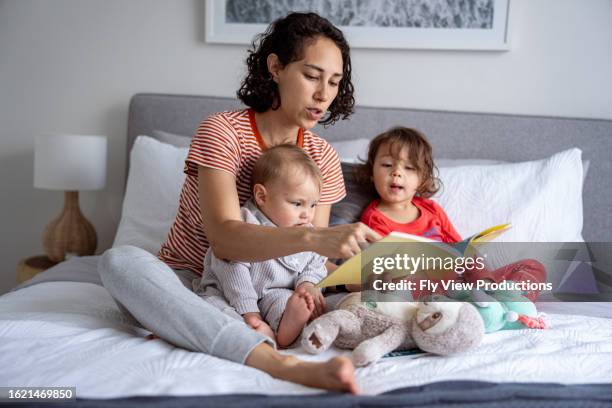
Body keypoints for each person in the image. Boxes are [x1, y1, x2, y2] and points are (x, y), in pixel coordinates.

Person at [99, 12, 381, 394]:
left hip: (274, 295)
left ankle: (194, 330)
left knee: (374, 291)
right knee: (119, 262)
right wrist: (317, 239)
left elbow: (310, 260)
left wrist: (367, 266)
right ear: (276, 67)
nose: (324, 94)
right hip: (188, 282)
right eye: (312, 76)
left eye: (334, 82)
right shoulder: (222, 132)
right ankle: (278, 363)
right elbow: (225, 241)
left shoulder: (323, 158)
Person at [352, 127, 546, 300]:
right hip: (423, 286)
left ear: (421, 179)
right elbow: (380, 269)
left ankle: (497, 296)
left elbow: (459, 249)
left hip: (462, 280)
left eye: (409, 167)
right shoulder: (373, 218)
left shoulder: (432, 210)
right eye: (387, 165)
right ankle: (481, 301)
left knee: (531, 267)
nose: (397, 172)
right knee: (401, 284)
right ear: (371, 172)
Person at [195, 145, 327, 348]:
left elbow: (316, 261)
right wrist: (250, 312)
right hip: (229, 292)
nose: (307, 214)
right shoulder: (245, 224)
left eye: (312, 205)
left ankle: (284, 329)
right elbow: (233, 274)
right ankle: (251, 329)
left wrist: (306, 284)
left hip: (275, 292)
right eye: (297, 203)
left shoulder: (306, 231)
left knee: (290, 302)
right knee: (211, 307)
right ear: (262, 197)